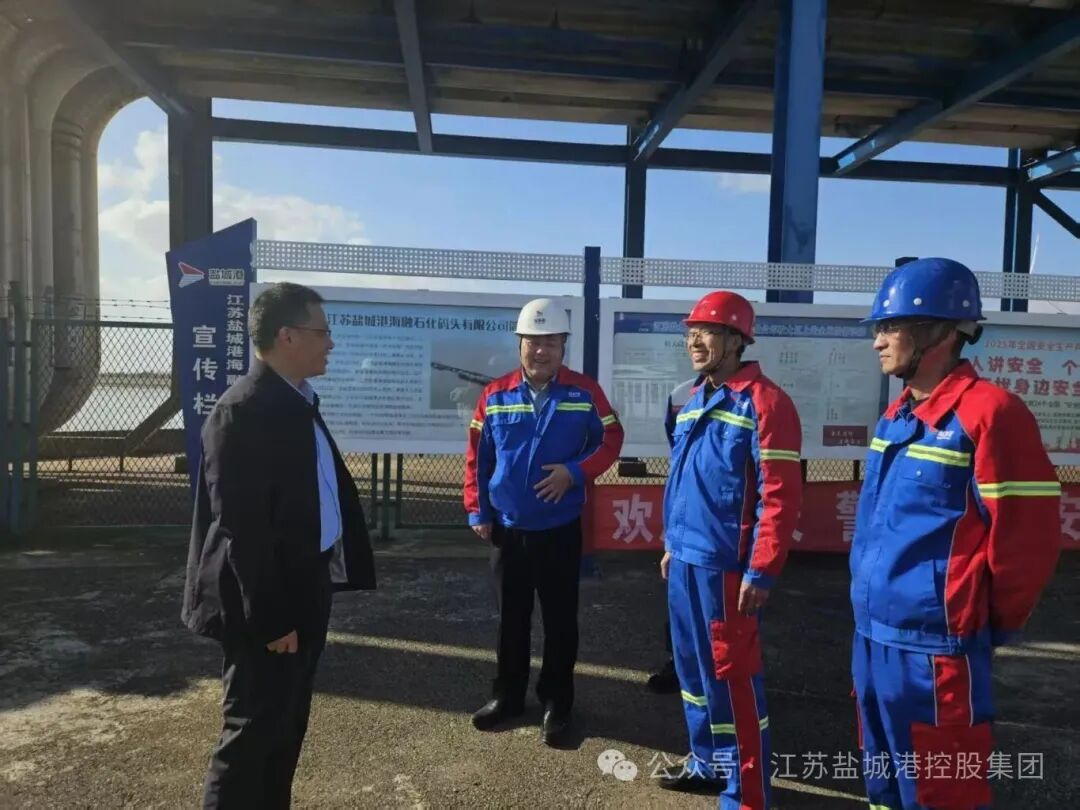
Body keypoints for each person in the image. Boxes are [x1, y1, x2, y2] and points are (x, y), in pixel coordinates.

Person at [850, 257, 1061, 810]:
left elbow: (1027, 542)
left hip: (936, 651)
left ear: (938, 332)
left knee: (943, 790)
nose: (878, 341)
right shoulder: (898, 416)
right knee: (883, 781)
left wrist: (986, 622)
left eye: (890, 327)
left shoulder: (993, 414)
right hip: (873, 637)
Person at [182, 282, 376, 809]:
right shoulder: (242, 412)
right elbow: (242, 530)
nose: (330, 343)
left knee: (285, 728)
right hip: (265, 602)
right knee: (249, 736)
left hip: (306, 584)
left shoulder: (296, 401)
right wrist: (270, 620)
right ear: (288, 336)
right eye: (322, 332)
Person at [658, 291, 803, 808]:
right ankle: (707, 763)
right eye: (691, 332)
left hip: (726, 569)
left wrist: (761, 570)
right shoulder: (694, 399)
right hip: (685, 561)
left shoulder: (766, 403)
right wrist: (672, 544)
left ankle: (747, 793)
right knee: (693, 674)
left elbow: (779, 497)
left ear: (738, 341)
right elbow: (684, 481)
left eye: (709, 332)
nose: (695, 341)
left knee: (733, 680)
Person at [464, 297, 624, 746]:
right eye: (533, 341)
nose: (541, 351)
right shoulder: (495, 395)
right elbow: (478, 456)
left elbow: (611, 438)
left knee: (559, 621)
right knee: (510, 620)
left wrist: (574, 472)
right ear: (520, 344)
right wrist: (479, 509)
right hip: (508, 530)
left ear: (563, 347)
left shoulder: (584, 392)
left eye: (551, 342)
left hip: (559, 529)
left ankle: (557, 702)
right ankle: (508, 696)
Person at [646, 375, 696, 695]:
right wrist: (672, 541)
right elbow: (678, 454)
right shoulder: (681, 395)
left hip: (727, 534)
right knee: (679, 605)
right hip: (685, 521)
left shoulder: (753, 398)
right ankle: (678, 664)